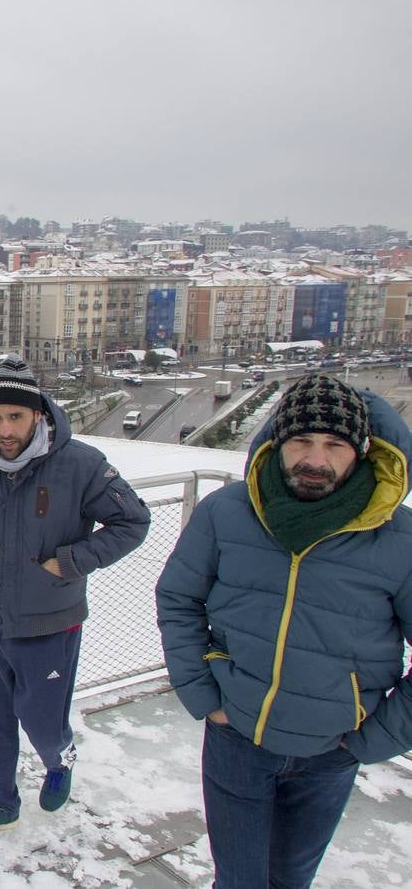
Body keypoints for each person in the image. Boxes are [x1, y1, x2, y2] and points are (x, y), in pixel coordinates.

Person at [156, 374, 412, 888]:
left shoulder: (397, 538)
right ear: (278, 442)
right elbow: (179, 598)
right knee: (238, 879)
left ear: (360, 451)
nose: (315, 459)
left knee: (291, 880)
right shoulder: (226, 513)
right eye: (301, 441)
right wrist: (205, 696)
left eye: (334, 444)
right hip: (237, 740)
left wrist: (374, 737)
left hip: (331, 753)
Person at [0, 355, 150, 842]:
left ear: (38, 412)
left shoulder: (81, 464)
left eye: (15, 416)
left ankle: (60, 761)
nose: (4, 429)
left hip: (51, 621)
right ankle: (2, 800)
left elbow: (133, 522)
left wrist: (75, 559)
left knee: (42, 719)